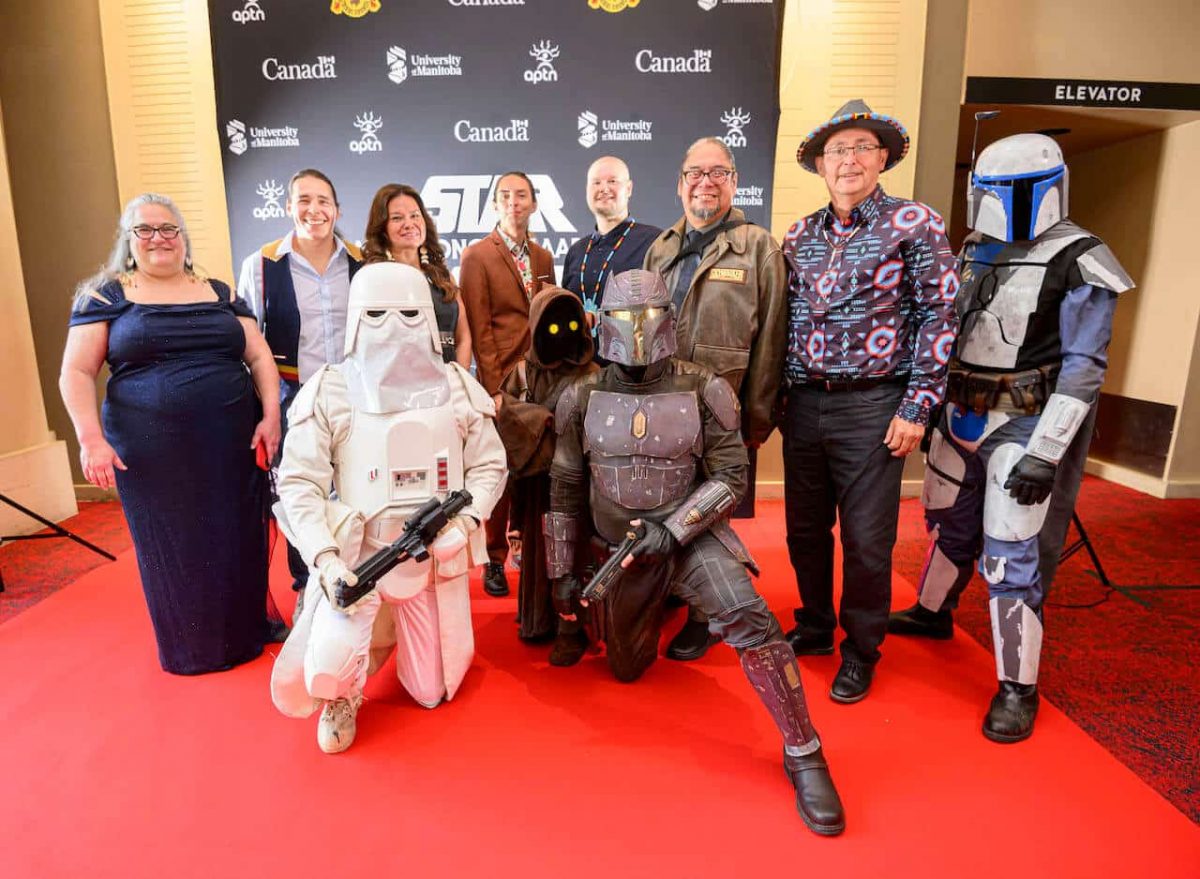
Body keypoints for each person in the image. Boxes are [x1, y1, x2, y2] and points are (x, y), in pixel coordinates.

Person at [545, 269, 844, 835]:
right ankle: (667, 612)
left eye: (647, 317)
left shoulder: (704, 387)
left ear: (670, 322)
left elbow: (733, 477)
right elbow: (564, 487)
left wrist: (675, 528)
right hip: (617, 550)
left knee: (749, 616)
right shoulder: (579, 395)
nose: (636, 333)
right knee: (627, 669)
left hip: (688, 542)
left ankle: (804, 750)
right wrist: (563, 570)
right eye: (623, 319)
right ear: (602, 322)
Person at [887, 132, 1133, 742]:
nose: (993, 202)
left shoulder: (1080, 257)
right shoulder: (973, 249)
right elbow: (948, 333)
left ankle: (1017, 687)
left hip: (1023, 423)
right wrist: (928, 409)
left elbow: (1083, 368)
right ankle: (933, 611)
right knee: (948, 523)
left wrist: (1048, 451)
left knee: (1010, 553)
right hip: (958, 411)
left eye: (1003, 191)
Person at [269, 262, 506, 754]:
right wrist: (325, 559)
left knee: (432, 690)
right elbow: (298, 484)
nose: (392, 325)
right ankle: (345, 688)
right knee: (328, 669)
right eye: (376, 313)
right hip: (360, 556)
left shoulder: (457, 386)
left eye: (406, 313)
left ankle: (394, 641)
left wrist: (467, 520)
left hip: (433, 560)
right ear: (356, 318)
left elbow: (489, 466)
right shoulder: (331, 389)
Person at [780, 100, 958, 703]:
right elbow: (786, 321)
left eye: (860, 148)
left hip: (875, 406)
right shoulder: (798, 234)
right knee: (804, 532)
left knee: (866, 539)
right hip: (804, 403)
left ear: (882, 157)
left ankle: (861, 649)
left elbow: (940, 314)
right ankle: (814, 625)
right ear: (821, 166)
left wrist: (917, 406)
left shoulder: (916, 223)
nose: (848, 160)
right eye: (837, 151)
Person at [60, 193, 281, 674]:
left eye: (168, 228)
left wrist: (270, 416)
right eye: (145, 230)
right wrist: (89, 439)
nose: (158, 237)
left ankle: (244, 634)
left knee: (236, 534)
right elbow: (76, 372)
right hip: (150, 452)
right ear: (129, 240)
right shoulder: (106, 296)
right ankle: (193, 648)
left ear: (183, 237)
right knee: (176, 544)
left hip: (231, 444)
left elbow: (260, 356)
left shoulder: (218, 290)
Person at [642, 137, 788, 661]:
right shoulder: (662, 246)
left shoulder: (758, 247)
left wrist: (757, 418)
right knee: (665, 501)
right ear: (681, 183)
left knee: (709, 512)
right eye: (695, 172)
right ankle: (674, 593)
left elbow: (772, 339)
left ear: (734, 181)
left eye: (718, 173)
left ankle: (707, 614)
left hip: (723, 413)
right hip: (662, 404)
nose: (706, 182)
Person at [237, 169, 363, 624]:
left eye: (324, 201)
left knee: (353, 488)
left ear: (337, 209)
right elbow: (251, 345)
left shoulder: (362, 262)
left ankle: (356, 575)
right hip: (295, 399)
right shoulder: (261, 264)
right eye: (304, 200)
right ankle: (307, 584)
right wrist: (268, 409)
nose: (315, 209)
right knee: (301, 494)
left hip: (354, 398)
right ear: (288, 207)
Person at [460, 171, 556, 598]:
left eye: (522, 195)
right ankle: (494, 559)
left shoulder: (543, 256)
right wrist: (493, 387)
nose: (514, 202)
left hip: (541, 377)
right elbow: (479, 327)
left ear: (534, 203)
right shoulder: (477, 256)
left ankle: (528, 548)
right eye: (505, 196)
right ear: (495, 205)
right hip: (501, 382)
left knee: (536, 470)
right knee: (499, 474)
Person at [495, 286, 598, 660]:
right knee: (544, 552)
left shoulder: (594, 374)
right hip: (539, 484)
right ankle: (540, 619)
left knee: (578, 554)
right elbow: (503, 421)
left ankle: (577, 626)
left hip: (582, 486)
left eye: (573, 325)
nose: (564, 333)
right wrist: (541, 424)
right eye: (552, 328)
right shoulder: (523, 374)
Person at [361, 182, 473, 369]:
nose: (409, 224)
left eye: (415, 215)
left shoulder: (443, 276)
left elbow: (463, 337)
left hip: (451, 386)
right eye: (397, 218)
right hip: (400, 388)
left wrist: (458, 380)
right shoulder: (374, 278)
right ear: (382, 228)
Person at [562, 156, 660, 346]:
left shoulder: (655, 242)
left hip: (630, 371)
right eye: (596, 182)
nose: (604, 188)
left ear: (629, 188)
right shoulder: (576, 251)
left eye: (612, 181)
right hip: (577, 368)